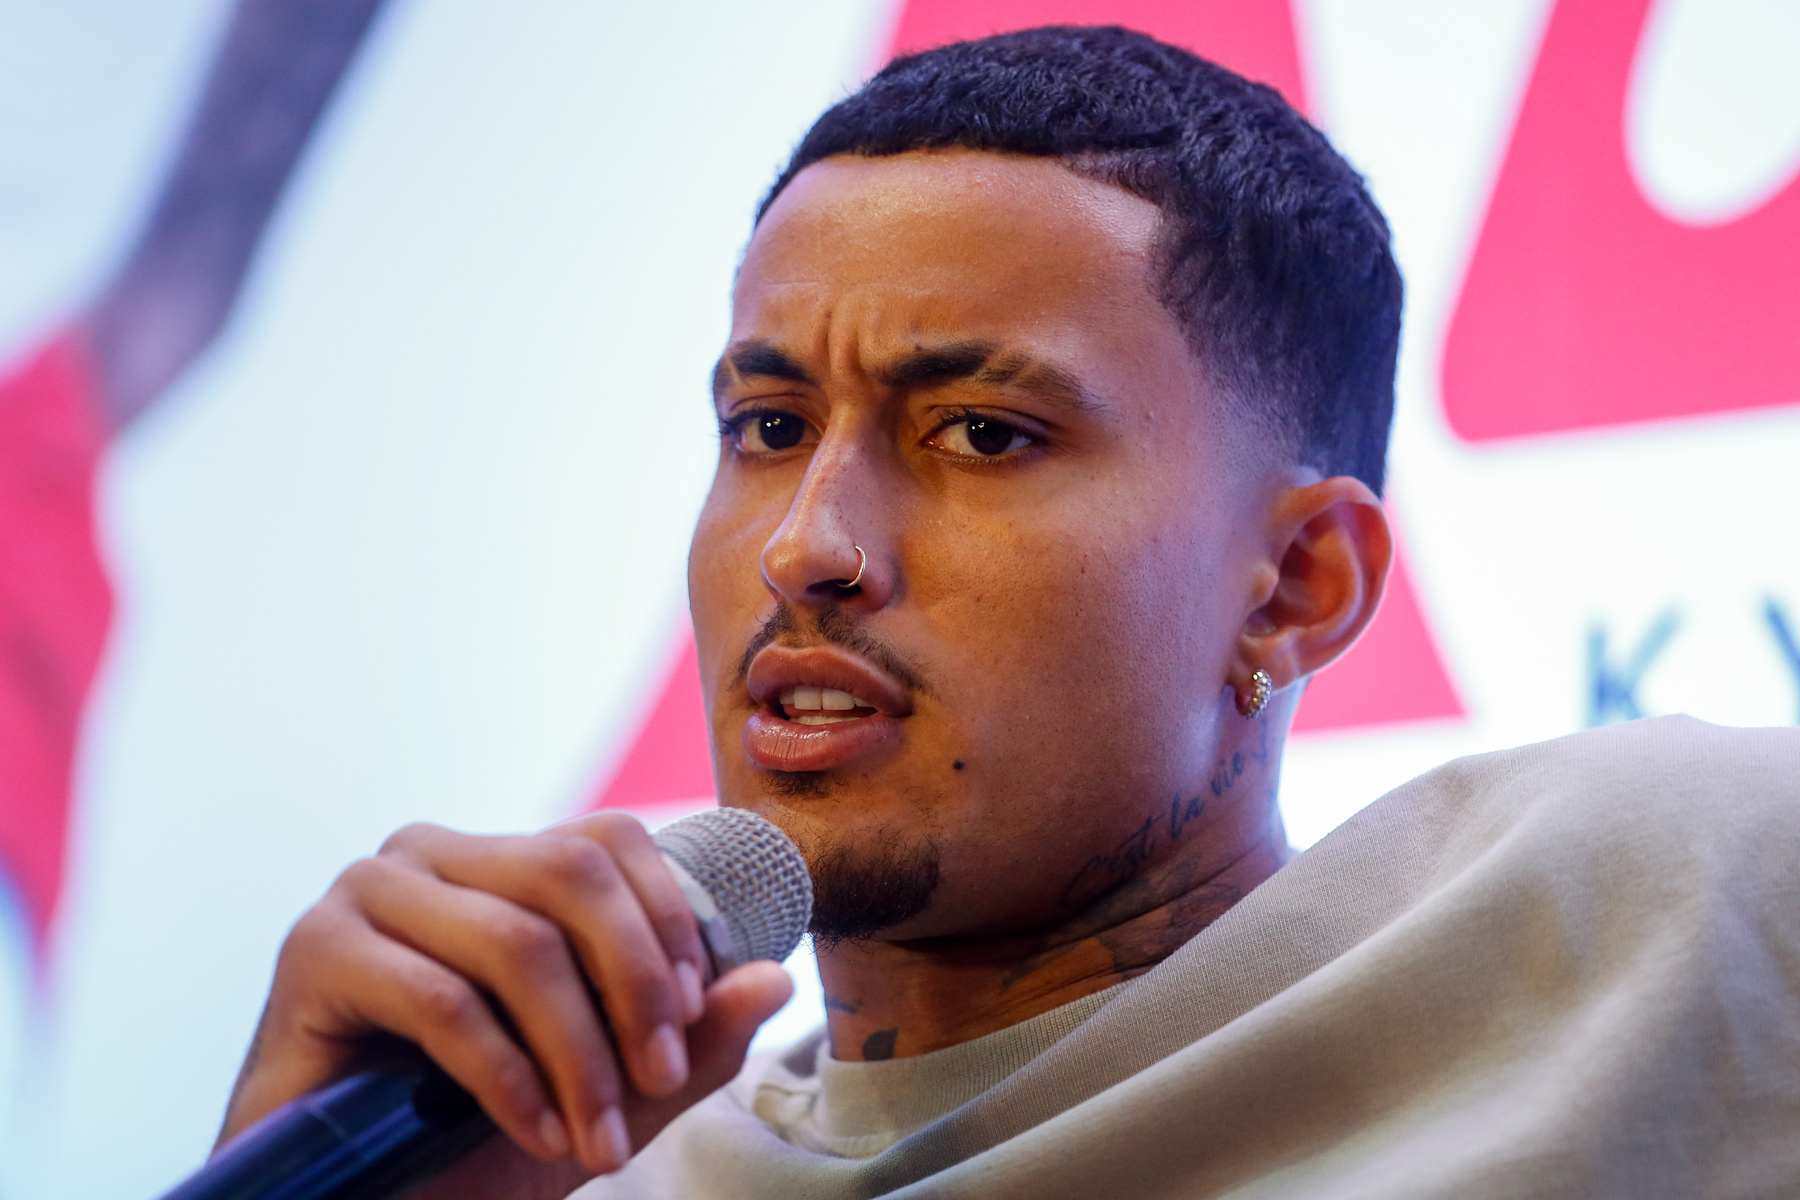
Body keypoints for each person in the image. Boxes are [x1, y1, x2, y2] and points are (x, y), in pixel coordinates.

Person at [212, 26, 1800, 1198]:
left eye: (981, 432)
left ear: (1299, 585)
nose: (808, 548)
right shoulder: (575, 1179)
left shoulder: (1656, 904)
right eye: (767, 428)